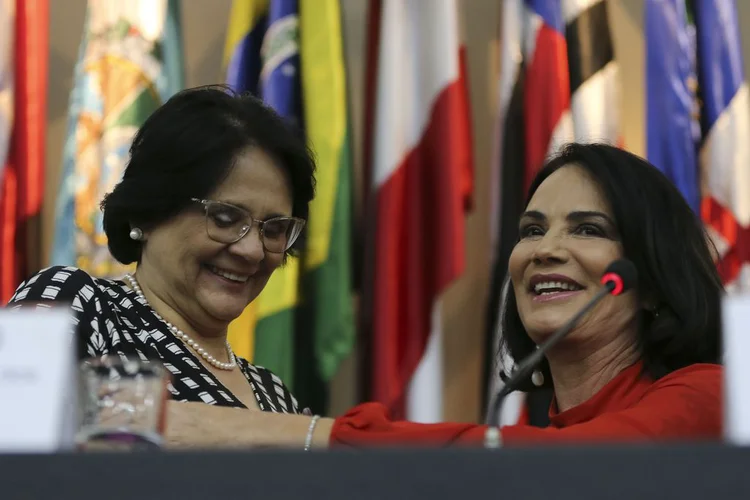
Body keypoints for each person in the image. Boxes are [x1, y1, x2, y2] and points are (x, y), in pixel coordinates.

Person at [148, 142, 723, 449]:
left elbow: (574, 471)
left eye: (588, 229)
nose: (544, 250)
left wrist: (278, 433)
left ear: (651, 284)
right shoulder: (548, 431)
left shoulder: (711, 397)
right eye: (531, 230)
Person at [8, 85, 316, 416]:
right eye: (226, 218)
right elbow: (13, 434)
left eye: (273, 229)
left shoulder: (276, 396)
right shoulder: (78, 302)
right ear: (149, 211)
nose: (253, 250)